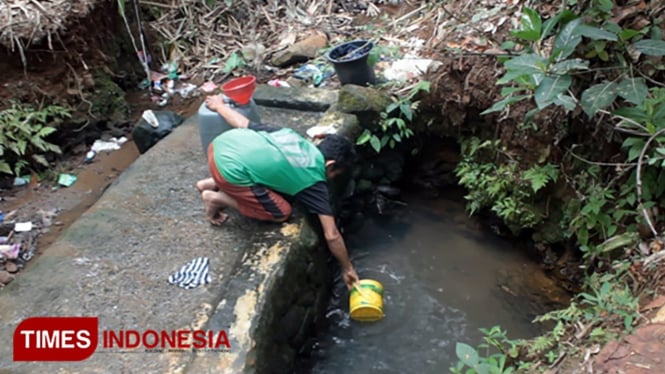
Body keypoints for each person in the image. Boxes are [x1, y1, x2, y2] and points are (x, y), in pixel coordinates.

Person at [196, 94, 360, 290]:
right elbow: (332, 234)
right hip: (229, 170)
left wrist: (219, 106)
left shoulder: (290, 135)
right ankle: (215, 197)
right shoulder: (314, 180)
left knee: (263, 171)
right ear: (330, 165)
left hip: (221, 146)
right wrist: (347, 268)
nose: (331, 178)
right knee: (280, 211)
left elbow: (242, 123)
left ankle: (210, 182)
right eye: (335, 174)